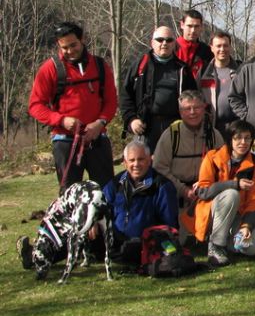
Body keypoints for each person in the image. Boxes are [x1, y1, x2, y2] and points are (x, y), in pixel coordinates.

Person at [28, 21, 118, 191]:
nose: (69, 51)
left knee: (107, 191)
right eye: (64, 47)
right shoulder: (50, 69)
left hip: (97, 139)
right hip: (65, 141)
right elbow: (35, 105)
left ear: (82, 39)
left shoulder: (99, 65)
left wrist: (100, 123)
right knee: (69, 193)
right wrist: (61, 120)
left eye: (73, 45)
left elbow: (111, 101)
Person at [191, 119, 255, 266]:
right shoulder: (212, 157)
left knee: (254, 247)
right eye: (238, 138)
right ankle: (215, 245)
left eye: (247, 138)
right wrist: (235, 184)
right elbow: (203, 192)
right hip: (212, 212)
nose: (243, 142)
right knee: (232, 194)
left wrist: (246, 226)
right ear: (230, 139)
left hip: (238, 214)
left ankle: (228, 242)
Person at [119, 25, 197, 153]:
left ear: (174, 44)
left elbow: (193, 98)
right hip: (146, 127)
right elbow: (125, 96)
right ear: (152, 43)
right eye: (160, 40)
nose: (164, 43)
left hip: (175, 127)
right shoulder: (140, 66)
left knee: (173, 168)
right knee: (144, 167)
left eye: (169, 40)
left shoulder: (182, 69)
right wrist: (131, 119)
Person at [102, 140, 179, 263]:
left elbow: (169, 225)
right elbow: (102, 207)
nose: (136, 164)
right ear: (125, 163)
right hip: (115, 243)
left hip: (147, 244)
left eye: (141, 159)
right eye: (132, 160)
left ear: (149, 161)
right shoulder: (114, 184)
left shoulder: (162, 186)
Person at [153, 90, 224, 220]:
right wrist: (183, 190)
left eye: (196, 107)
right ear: (180, 112)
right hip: (176, 198)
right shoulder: (171, 136)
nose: (192, 112)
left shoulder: (214, 135)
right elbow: (159, 168)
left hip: (208, 195)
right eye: (187, 108)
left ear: (204, 108)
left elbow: (223, 167)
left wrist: (206, 185)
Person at [198, 31, 241, 133]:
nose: (222, 49)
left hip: (237, 127)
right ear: (211, 48)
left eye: (225, 46)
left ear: (230, 47)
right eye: (218, 46)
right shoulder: (203, 72)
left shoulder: (240, 70)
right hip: (211, 128)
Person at [175, 9, 213, 80]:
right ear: (182, 25)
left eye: (196, 26)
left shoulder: (207, 52)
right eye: (189, 26)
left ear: (201, 27)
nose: (193, 30)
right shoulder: (171, 48)